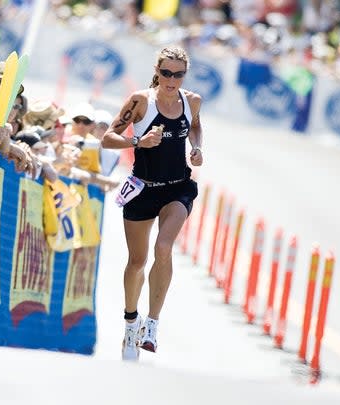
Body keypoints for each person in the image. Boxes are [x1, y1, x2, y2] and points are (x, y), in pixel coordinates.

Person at [101, 46, 203, 361]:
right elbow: (107, 137)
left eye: (179, 74)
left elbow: (196, 126)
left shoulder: (192, 101)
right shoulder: (140, 101)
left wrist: (197, 147)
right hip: (143, 188)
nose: (172, 80)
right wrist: (137, 142)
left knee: (164, 247)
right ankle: (131, 322)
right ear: (157, 71)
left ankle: (152, 323)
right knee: (137, 261)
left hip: (178, 189)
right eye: (167, 73)